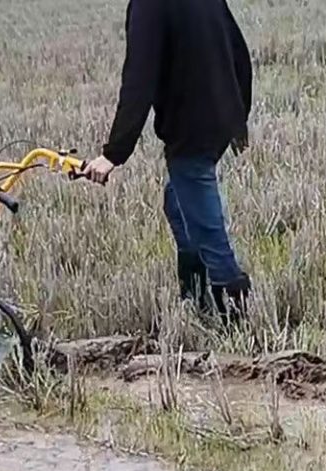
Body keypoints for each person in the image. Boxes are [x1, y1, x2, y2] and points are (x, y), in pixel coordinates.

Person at [84, 0, 254, 324]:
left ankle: (234, 308)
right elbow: (239, 52)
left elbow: (138, 81)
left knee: (205, 222)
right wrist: (237, 114)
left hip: (192, 125)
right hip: (219, 115)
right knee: (178, 204)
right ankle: (195, 296)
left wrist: (112, 154)